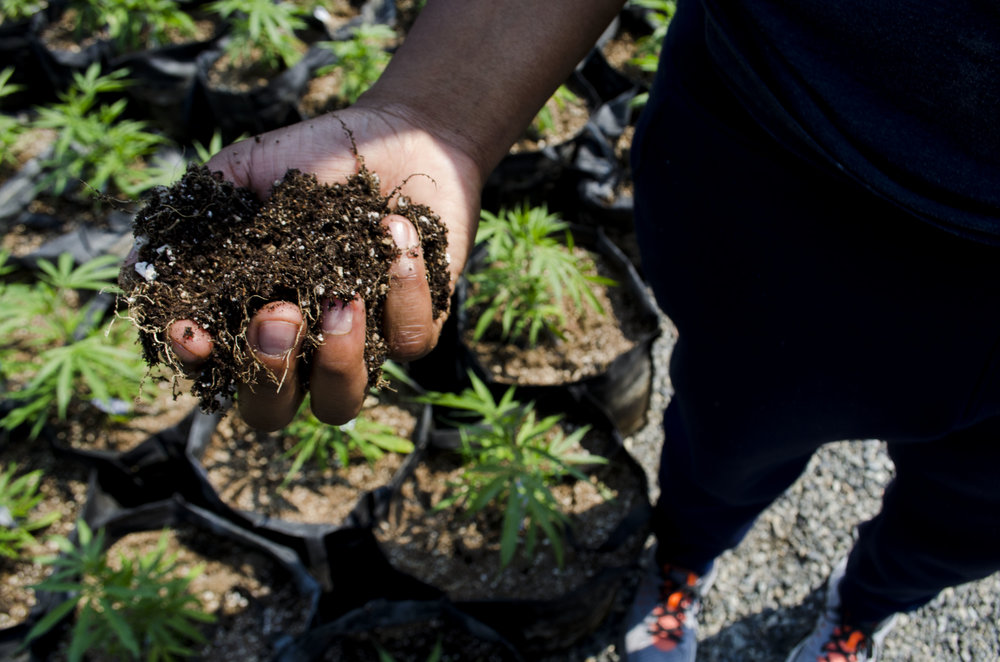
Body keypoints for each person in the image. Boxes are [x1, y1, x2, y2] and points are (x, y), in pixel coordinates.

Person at [164, 1, 1000, 661]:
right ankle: (681, 564)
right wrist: (436, 112)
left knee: (970, 522)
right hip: (796, 173)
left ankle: (864, 615)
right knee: (725, 440)